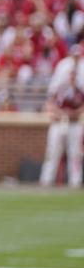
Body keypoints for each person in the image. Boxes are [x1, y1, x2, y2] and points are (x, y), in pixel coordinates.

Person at [40, 44, 84, 187]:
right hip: (58, 123)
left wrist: (73, 113)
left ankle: (75, 182)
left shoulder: (79, 91)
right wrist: (59, 113)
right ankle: (46, 180)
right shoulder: (60, 89)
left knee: (75, 154)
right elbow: (49, 104)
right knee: (52, 153)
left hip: (73, 123)